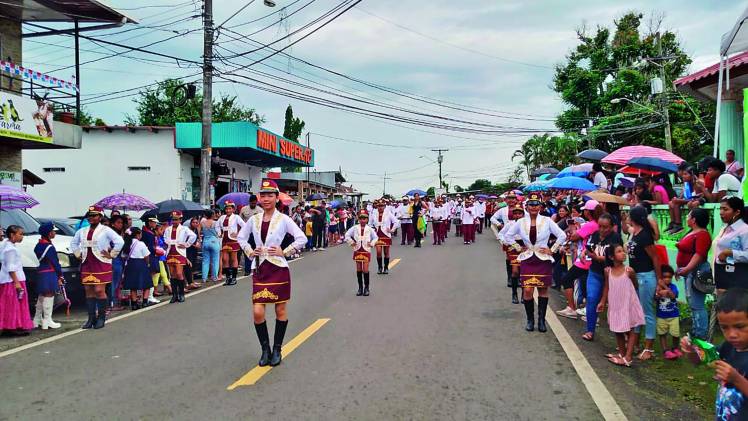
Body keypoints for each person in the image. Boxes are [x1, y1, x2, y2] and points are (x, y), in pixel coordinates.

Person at [238, 179, 307, 367]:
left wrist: (285, 251)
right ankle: (265, 349)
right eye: (263, 195)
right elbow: (241, 237)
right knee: (258, 311)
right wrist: (250, 251)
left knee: (280, 309)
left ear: (277, 198)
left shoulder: (284, 219)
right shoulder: (254, 219)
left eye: (270, 195)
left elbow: (302, 238)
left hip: (278, 268)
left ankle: (277, 348)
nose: (266, 199)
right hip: (260, 268)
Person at [503, 193, 567, 333]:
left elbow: (562, 235)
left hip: (542, 258)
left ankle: (541, 321)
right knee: (527, 289)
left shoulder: (547, 220)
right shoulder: (520, 222)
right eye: (531, 204)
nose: (533, 207)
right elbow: (508, 236)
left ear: (540, 206)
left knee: (543, 289)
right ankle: (530, 320)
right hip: (527, 258)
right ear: (526, 206)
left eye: (536, 204)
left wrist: (553, 249)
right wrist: (519, 248)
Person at [680, 289, 748, 420]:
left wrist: (736, 379)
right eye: (724, 328)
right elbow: (699, 361)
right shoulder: (728, 347)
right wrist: (691, 351)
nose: (732, 335)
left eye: (739, 326)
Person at [70, 206, 124, 329]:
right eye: (90, 215)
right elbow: (73, 243)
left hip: (101, 263)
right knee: (88, 291)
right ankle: (91, 318)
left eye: (94, 215)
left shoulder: (106, 230)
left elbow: (119, 241)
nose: (91, 218)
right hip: (87, 263)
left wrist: (112, 254)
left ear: (100, 217)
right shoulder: (82, 231)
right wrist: (78, 254)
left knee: (99, 290)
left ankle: (101, 317)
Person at [596, 244, 644, 367]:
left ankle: (628, 357)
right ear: (611, 257)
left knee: (632, 328)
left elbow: (635, 285)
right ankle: (622, 354)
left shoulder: (629, 271)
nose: (623, 253)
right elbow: (607, 287)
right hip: (615, 305)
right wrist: (602, 301)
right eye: (619, 251)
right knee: (617, 329)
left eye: (623, 251)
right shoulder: (608, 271)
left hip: (628, 304)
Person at [626, 205, 662, 361]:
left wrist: (659, 280)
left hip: (646, 277)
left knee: (646, 312)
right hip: (636, 277)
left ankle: (649, 348)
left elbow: (655, 258)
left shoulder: (645, 236)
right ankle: (635, 344)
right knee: (636, 311)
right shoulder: (636, 233)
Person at [556, 200, 602, 321]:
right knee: (588, 286)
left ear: (588, 212)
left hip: (585, 259)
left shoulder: (590, 224)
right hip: (592, 258)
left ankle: (572, 308)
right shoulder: (599, 224)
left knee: (567, 279)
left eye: (585, 210)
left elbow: (574, 237)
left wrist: (573, 228)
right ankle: (590, 312)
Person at [581, 212, 621, 341]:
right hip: (595, 273)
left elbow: (617, 257)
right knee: (591, 299)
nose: (602, 230)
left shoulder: (616, 238)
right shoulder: (595, 235)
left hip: (612, 275)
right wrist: (584, 252)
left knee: (616, 305)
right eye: (600, 226)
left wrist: (598, 257)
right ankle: (590, 330)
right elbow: (589, 247)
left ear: (612, 227)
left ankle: (621, 335)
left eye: (606, 227)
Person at [675, 208, 712, 339]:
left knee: (697, 304)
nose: (686, 218)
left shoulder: (702, 234)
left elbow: (699, 254)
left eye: (688, 215)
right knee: (692, 303)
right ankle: (696, 330)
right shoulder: (693, 232)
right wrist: (680, 268)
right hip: (689, 272)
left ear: (694, 219)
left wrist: (687, 268)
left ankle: (700, 334)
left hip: (695, 272)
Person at [0, 225, 33, 334]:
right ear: (12, 235)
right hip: (12, 280)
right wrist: (17, 282)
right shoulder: (10, 249)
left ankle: (16, 325)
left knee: (15, 304)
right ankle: (11, 326)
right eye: (20, 234)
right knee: (12, 304)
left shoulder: (8, 246)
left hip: (13, 279)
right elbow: (10, 267)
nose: (22, 236)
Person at [32, 223, 63, 330]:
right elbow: (55, 262)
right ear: (49, 233)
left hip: (41, 271)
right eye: (53, 231)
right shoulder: (49, 247)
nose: (55, 232)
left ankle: (36, 320)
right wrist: (60, 275)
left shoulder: (38, 245)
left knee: (42, 295)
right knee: (49, 295)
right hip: (50, 272)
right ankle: (47, 320)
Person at [714, 197, 748, 291]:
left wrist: (730, 253)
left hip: (736, 276)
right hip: (722, 273)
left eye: (725, 209)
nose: (721, 212)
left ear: (737, 212)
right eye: (720, 208)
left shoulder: (744, 230)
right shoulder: (725, 228)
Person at [164, 211, 197, 303]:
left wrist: (186, 244)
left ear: (180, 220)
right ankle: (175, 295)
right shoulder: (168, 229)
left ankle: (181, 294)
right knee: (172, 274)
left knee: (179, 273)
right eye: (173, 219)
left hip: (180, 252)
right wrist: (168, 242)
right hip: (170, 252)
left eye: (176, 220)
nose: (174, 221)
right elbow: (165, 238)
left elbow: (193, 236)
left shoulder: (184, 229)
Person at [345, 210, 378, 296]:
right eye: (361, 218)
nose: (362, 220)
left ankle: (366, 288)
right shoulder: (355, 227)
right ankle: (360, 288)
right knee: (359, 269)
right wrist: (351, 242)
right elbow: (347, 235)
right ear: (358, 219)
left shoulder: (370, 229)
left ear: (367, 220)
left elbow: (375, 238)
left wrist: (372, 243)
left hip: (366, 250)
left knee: (365, 269)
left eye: (364, 218)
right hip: (357, 249)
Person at [498, 204, 525, 304]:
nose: (517, 215)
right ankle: (514, 294)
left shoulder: (527, 224)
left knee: (523, 273)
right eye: (516, 214)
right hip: (513, 248)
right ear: (513, 215)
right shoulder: (510, 224)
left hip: (524, 248)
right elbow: (501, 234)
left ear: (523, 215)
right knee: (515, 272)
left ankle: (524, 294)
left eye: (520, 214)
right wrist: (505, 242)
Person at [122, 228, 152, 310]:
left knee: (133, 285)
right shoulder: (141, 243)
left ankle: (134, 304)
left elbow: (123, 256)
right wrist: (148, 263)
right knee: (146, 284)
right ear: (138, 235)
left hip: (130, 264)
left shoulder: (127, 243)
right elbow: (146, 255)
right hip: (141, 263)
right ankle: (145, 302)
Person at [656, 265, 681, 360]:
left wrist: (664, 287)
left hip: (673, 315)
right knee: (662, 334)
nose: (667, 279)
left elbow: (673, 296)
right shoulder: (657, 288)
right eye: (664, 277)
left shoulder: (673, 287)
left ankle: (675, 348)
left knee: (676, 334)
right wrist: (659, 293)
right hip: (661, 316)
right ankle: (665, 350)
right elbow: (656, 297)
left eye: (669, 277)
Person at [667, 164, 701, 234]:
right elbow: (682, 197)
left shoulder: (696, 184)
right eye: (683, 174)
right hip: (689, 200)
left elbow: (695, 199)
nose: (683, 176)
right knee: (671, 202)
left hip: (694, 201)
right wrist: (677, 199)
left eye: (685, 174)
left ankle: (679, 225)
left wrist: (678, 200)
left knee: (677, 202)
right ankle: (674, 223)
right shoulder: (686, 184)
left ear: (692, 175)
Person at [218, 201, 245, 286]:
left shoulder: (236, 217)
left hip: (233, 240)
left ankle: (233, 278)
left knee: (233, 259)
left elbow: (244, 225)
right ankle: (227, 278)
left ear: (233, 209)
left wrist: (238, 233)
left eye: (230, 208)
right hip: (224, 240)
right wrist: (219, 232)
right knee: (225, 259)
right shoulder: (222, 217)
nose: (228, 210)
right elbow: (217, 226)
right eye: (226, 208)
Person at [370, 200, 399, 274]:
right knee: (378, 252)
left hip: (386, 235)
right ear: (377, 206)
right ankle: (380, 267)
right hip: (377, 235)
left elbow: (396, 221)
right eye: (379, 206)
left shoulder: (388, 213)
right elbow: (370, 223)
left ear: (384, 206)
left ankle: (386, 268)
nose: (380, 207)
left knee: (386, 252)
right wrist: (372, 230)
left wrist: (392, 230)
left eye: (382, 206)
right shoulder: (374, 213)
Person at [200, 210, 221, 283]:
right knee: (215, 260)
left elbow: (200, 232)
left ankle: (204, 278)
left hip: (205, 241)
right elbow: (219, 233)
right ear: (212, 215)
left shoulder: (202, 223)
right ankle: (214, 277)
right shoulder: (215, 223)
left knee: (205, 261)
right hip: (214, 241)